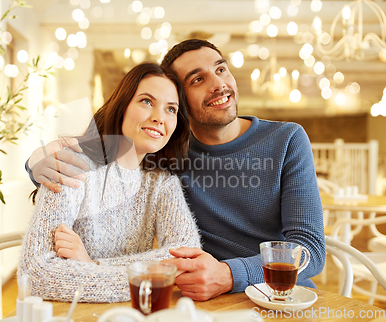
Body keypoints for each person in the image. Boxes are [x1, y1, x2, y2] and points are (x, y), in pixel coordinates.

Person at [26, 39, 326, 301]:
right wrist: (34, 162)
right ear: (183, 106)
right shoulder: (168, 156)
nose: (218, 84)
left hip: (280, 295)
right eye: (198, 80)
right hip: (200, 298)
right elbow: (107, 162)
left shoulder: (287, 139)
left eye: (221, 69)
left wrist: (228, 274)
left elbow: (309, 249)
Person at [18, 62, 201, 303]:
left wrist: (92, 264)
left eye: (171, 109)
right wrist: (148, 277)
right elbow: (34, 274)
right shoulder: (72, 165)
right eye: (147, 101)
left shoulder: (162, 183)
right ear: (122, 106)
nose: (159, 118)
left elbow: (186, 257)